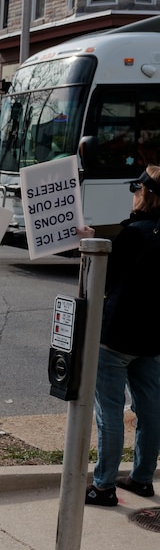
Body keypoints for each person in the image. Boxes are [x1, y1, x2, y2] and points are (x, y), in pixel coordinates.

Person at [85, 165, 160, 506]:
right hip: (153, 338)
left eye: (137, 186)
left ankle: (103, 486)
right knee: (151, 410)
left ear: (148, 194)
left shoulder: (134, 233)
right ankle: (142, 479)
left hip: (116, 336)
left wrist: (89, 243)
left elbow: (102, 275)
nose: (133, 191)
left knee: (110, 412)